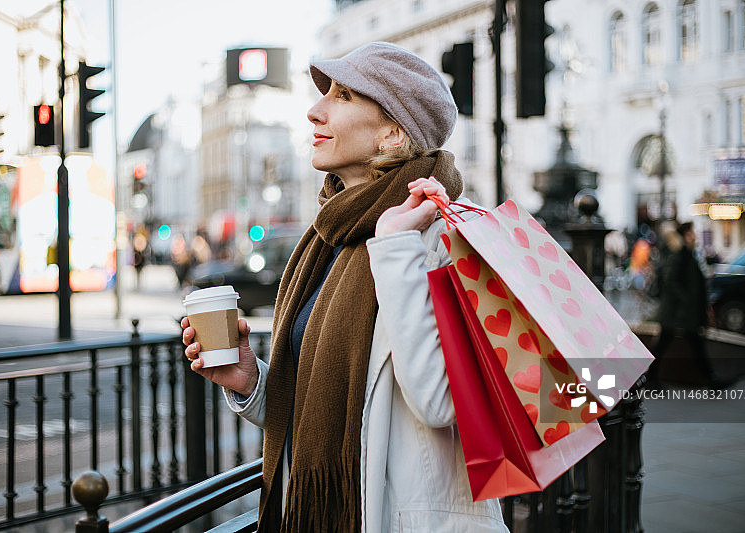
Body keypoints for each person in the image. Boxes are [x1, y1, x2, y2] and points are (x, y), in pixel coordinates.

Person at [182, 42, 508, 532]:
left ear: (393, 133)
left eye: (344, 95)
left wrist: (395, 246)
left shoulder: (446, 236)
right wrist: (251, 381)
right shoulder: (324, 240)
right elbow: (326, 410)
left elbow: (441, 402)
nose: (315, 110)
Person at [647, 222, 730, 389]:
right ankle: (650, 378)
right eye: (691, 233)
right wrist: (687, 301)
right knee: (674, 343)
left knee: (689, 344)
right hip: (679, 312)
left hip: (682, 311)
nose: (695, 236)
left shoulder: (687, 253)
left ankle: (710, 379)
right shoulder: (679, 253)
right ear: (684, 235)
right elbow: (671, 280)